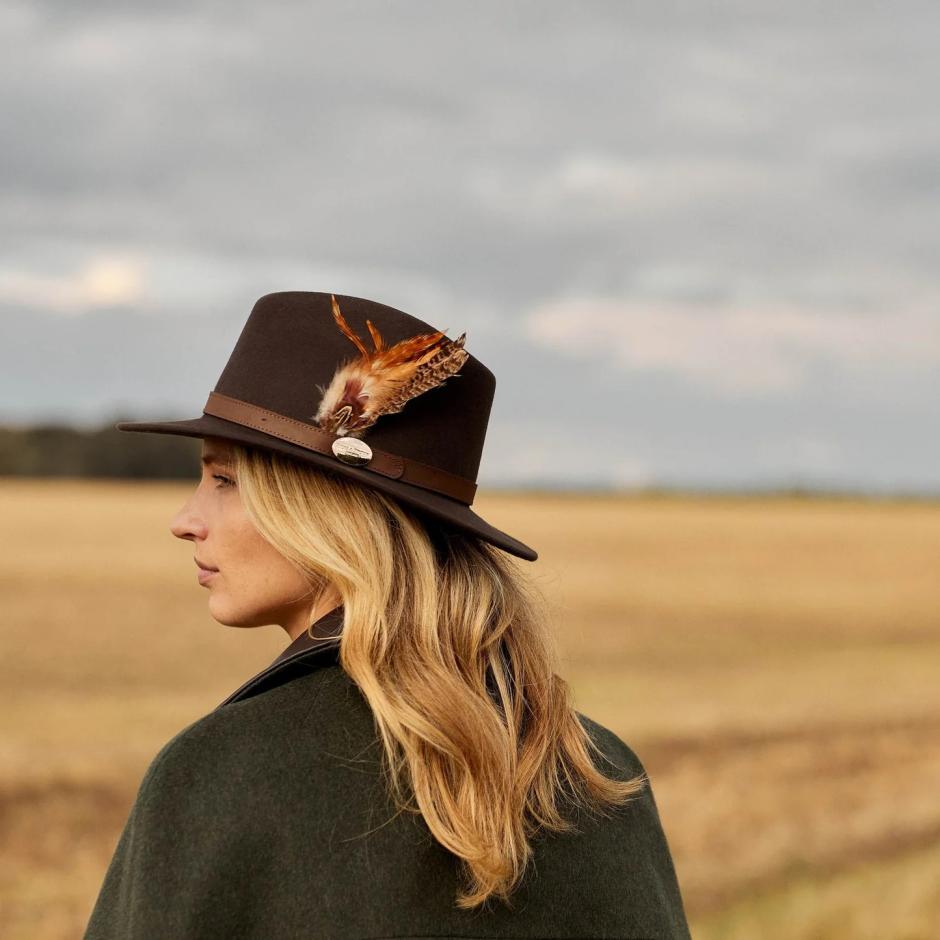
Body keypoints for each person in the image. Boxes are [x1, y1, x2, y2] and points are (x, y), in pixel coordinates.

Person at [83, 291, 692, 939]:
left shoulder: (219, 774)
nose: (186, 522)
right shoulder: (597, 770)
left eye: (225, 481)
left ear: (325, 513)